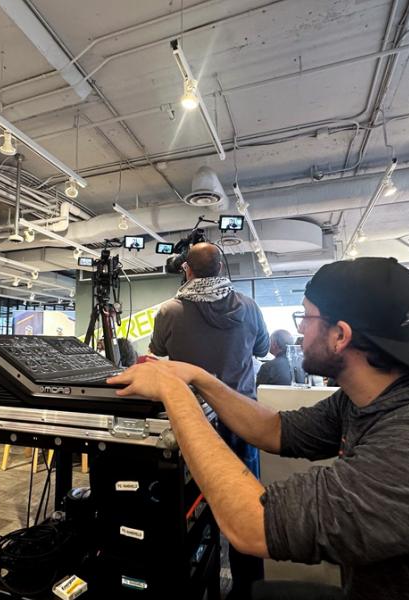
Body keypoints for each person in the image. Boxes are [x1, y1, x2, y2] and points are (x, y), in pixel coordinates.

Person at [110, 257, 409, 600]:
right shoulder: (374, 397)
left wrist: (176, 395)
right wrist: (198, 378)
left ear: (340, 335)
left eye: (305, 318)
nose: (300, 331)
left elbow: (251, 526)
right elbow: (276, 430)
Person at [148, 242, 269, 599]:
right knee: (249, 506)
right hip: (242, 418)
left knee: (192, 506)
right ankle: (249, 589)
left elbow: (158, 352)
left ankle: (195, 578)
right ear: (222, 268)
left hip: (194, 421)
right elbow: (263, 349)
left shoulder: (169, 311)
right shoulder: (249, 306)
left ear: (186, 269)